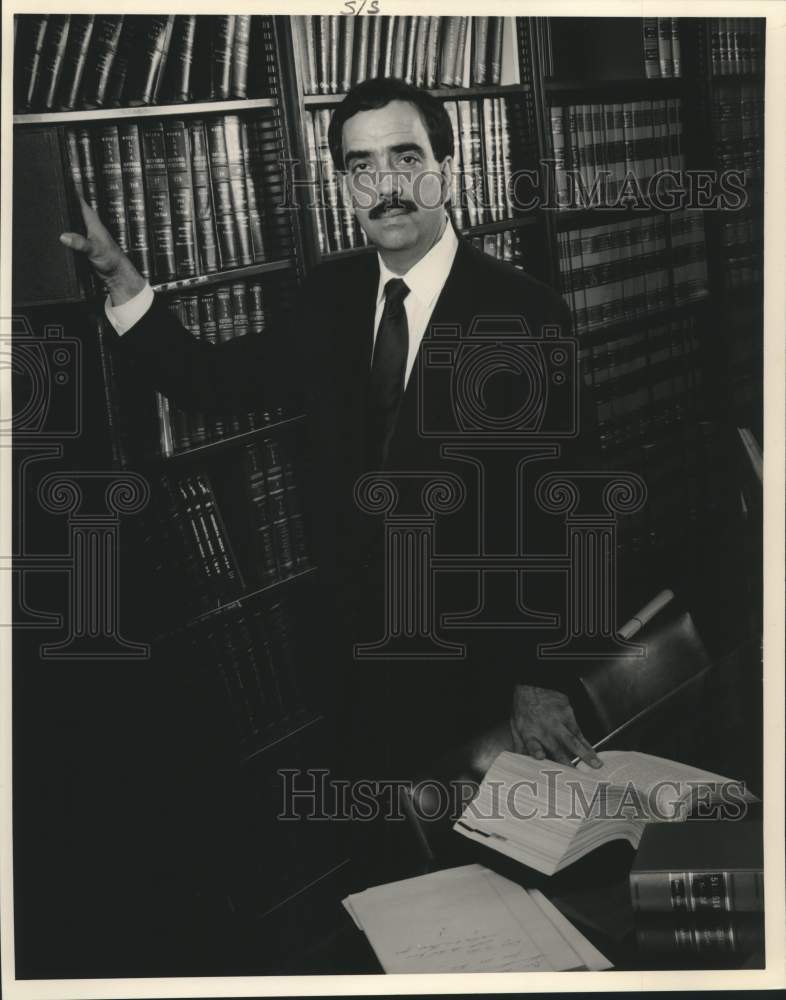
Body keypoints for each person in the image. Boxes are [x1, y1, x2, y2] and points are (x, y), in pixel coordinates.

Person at [61, 77, 602, 774]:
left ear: (450, 170)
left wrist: (541, 676)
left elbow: (572, 505)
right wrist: (124, 283)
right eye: (361, 165)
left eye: (407, 159)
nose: (387, 184)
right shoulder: (327, 298)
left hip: (481, 677)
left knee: (485, 871)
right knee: (381, 865)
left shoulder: (527, 313)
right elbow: (212, 383)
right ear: (344, 186)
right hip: (350, 672)